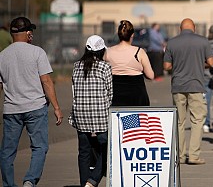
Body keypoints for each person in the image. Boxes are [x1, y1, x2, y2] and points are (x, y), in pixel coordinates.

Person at [0, 17, 63, 187]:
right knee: (39, 147)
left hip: (11, 110)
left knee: (7, 152)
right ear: (27, 33)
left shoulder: (2, 56)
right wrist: (57, 107)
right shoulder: (37, 52)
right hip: (35, 107)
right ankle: (30, 180)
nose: (32, 34)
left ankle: (8, 184)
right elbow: (46, 81)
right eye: (31, 31)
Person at [163, 18, 213, 165]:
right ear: (194, 28)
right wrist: (198, 63)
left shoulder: (172, 42)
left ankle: (179, 155)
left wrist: (178, 65)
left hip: (178, 86)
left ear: (180, 29)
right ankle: (194, 155)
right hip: (196, 85)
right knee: (197, 120)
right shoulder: (203, 41)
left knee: (179, 122)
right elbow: (211, 63)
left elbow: (166, 66)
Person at [69, 35, 112, 187]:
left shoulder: (76, 66)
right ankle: (92, 181)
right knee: (106, 150)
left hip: (80, 113)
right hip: (100, 115)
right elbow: (110, 93)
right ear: (101, 51)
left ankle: (84, 183)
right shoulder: (105, 67)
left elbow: (74, 90)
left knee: (84, 151)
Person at [104, 20, 154, 106]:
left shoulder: (108, 52)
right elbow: (150, 75)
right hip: (137, 96)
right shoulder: (139, 52)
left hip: (115, 94)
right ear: (132, 35)